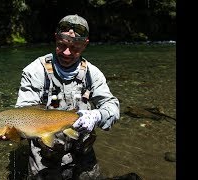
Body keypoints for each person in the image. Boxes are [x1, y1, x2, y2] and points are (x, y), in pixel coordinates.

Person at [15, 14, 120, 180]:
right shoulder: (34, 71)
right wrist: (13, 131)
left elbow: (112, 107)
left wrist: (98, 115)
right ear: (56, 38)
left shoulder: (93, 74)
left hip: (82, 151)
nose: (66, 52)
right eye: (61, 45)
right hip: (45, 155)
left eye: (75, 48)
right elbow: (23, 111)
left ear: (85, 45)